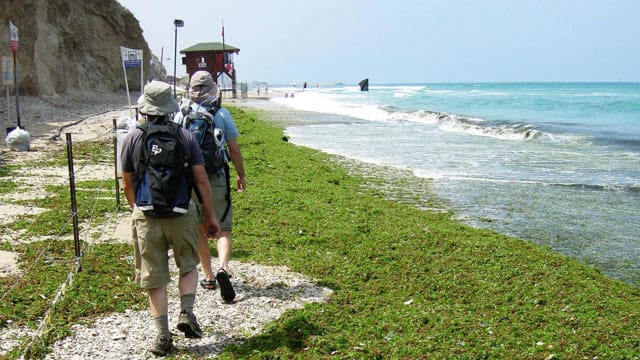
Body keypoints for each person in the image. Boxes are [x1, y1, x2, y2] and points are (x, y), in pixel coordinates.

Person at [121, 80, 220, 356]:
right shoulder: (185, 136)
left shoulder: (133, 137)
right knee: (188, 266)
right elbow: (201, 179)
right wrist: (210, 216)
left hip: (146, 213)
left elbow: (126, 182)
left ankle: (163, 337)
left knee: (155, 277)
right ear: (170, 109)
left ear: (145, 109)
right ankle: (186, 312)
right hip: (181, 211)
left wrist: (136, 209)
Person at [174, 70, 246, 302]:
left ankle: (209, 277)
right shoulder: (221, 114)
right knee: (223, 228)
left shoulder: (181, 115)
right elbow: (233, 149)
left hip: (190, 178)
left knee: (200, 230)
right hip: (215, 176)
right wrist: (241, 174)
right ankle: (223, 267)